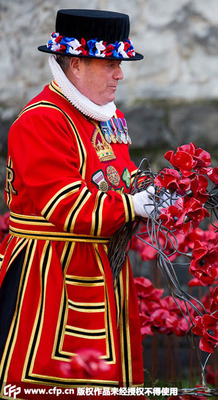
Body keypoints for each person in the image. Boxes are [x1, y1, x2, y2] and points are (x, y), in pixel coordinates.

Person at [0, 9, 155, 395]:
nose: (119, 73)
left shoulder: (106, 114)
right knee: (52, 382)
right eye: (110, 63)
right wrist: (133, 206)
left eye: (120, 63)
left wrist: (158, 189)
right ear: (75, 64)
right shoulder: (41, 121)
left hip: (100, 266)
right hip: (49, 272)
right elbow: (67, 207)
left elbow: (120, 173)